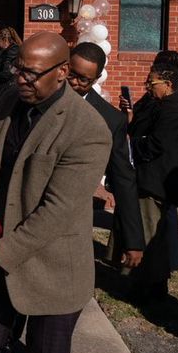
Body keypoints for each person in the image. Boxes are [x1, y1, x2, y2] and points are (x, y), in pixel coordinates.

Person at [0, 32, 110, 353]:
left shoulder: (88, 130)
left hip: (55, 269)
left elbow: (55, 213)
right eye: (18, 69)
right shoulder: (7, 101)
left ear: (62, 72)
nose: (21, 79)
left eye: (31, 73)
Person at [67, 42, 144, 272]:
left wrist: (133, 239)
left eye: (83, 80)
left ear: (96, 79)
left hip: (70, 215)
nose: (74, 82)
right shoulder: (39, 96)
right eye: (71, 74)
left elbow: (123, 178)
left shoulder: (109, 119)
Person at [126, 64, 178, 302]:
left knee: (150, 235)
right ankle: (149, 281)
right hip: (155, 179)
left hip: (156, 181)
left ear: (168, 84)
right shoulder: (163, 106)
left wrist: (131, 145)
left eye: (152, 83)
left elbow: (156, 144)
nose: (148, 87)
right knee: (151, 233)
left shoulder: (173, 110)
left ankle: (151, 285)